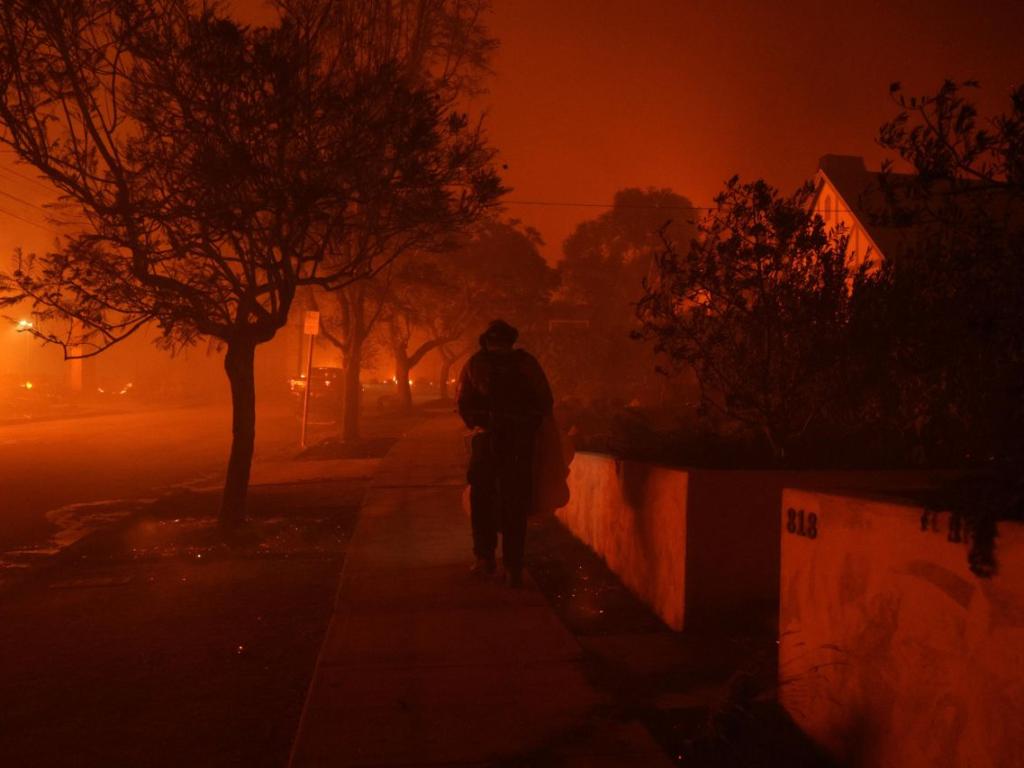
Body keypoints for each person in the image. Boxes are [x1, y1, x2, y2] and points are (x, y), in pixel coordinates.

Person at [457, 319, 554, 587]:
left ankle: (502, 562)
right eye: (495, 342)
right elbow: (465, 402)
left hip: (507, 441)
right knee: (493, 501)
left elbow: (543, 402)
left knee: (503, 502)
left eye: (501, 342)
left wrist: (510, 422)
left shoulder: (495, 363)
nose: (498, 347)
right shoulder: (484, 364)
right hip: (500, 441)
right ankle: (497, 561)